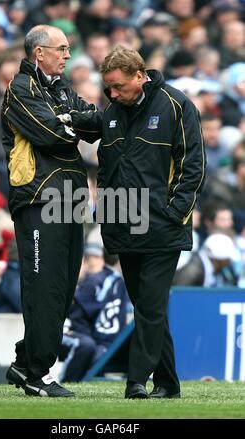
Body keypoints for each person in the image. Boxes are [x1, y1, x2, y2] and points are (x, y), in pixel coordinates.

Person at [96, 46, 206, 399]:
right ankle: (169, 384)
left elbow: (193, 165)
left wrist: (175, 213)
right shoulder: (112, 112)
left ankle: (136, 381)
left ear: (139, 76)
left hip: (162, 227)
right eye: (108, 88)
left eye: (118, 87)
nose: (112, 94)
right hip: (123, 226)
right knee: (148, 308)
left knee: (151, 305)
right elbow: (106, 168)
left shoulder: (176, 104)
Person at [1, 25, 101, 398]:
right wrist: (69, 122)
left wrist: (69, 120)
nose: (68, 55)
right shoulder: (21, 89)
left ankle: (26, 362)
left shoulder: (59, 88)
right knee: (44, 286)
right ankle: (37, 375)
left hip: (71, 200)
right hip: (40, 199)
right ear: (38, 52)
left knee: (61, 290)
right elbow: (51, 134)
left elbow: (92, 122)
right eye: (61, 48)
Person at [59, 240, 128, 382]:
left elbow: (80, 313)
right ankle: (66, 381)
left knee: (87, 346)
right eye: (89, 258)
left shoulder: (100, 281)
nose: (92, 262)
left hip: (100, 340)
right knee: (85, 345)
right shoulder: (109, 279)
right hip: (75, 334)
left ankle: (69, 381)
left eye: (95, 258)